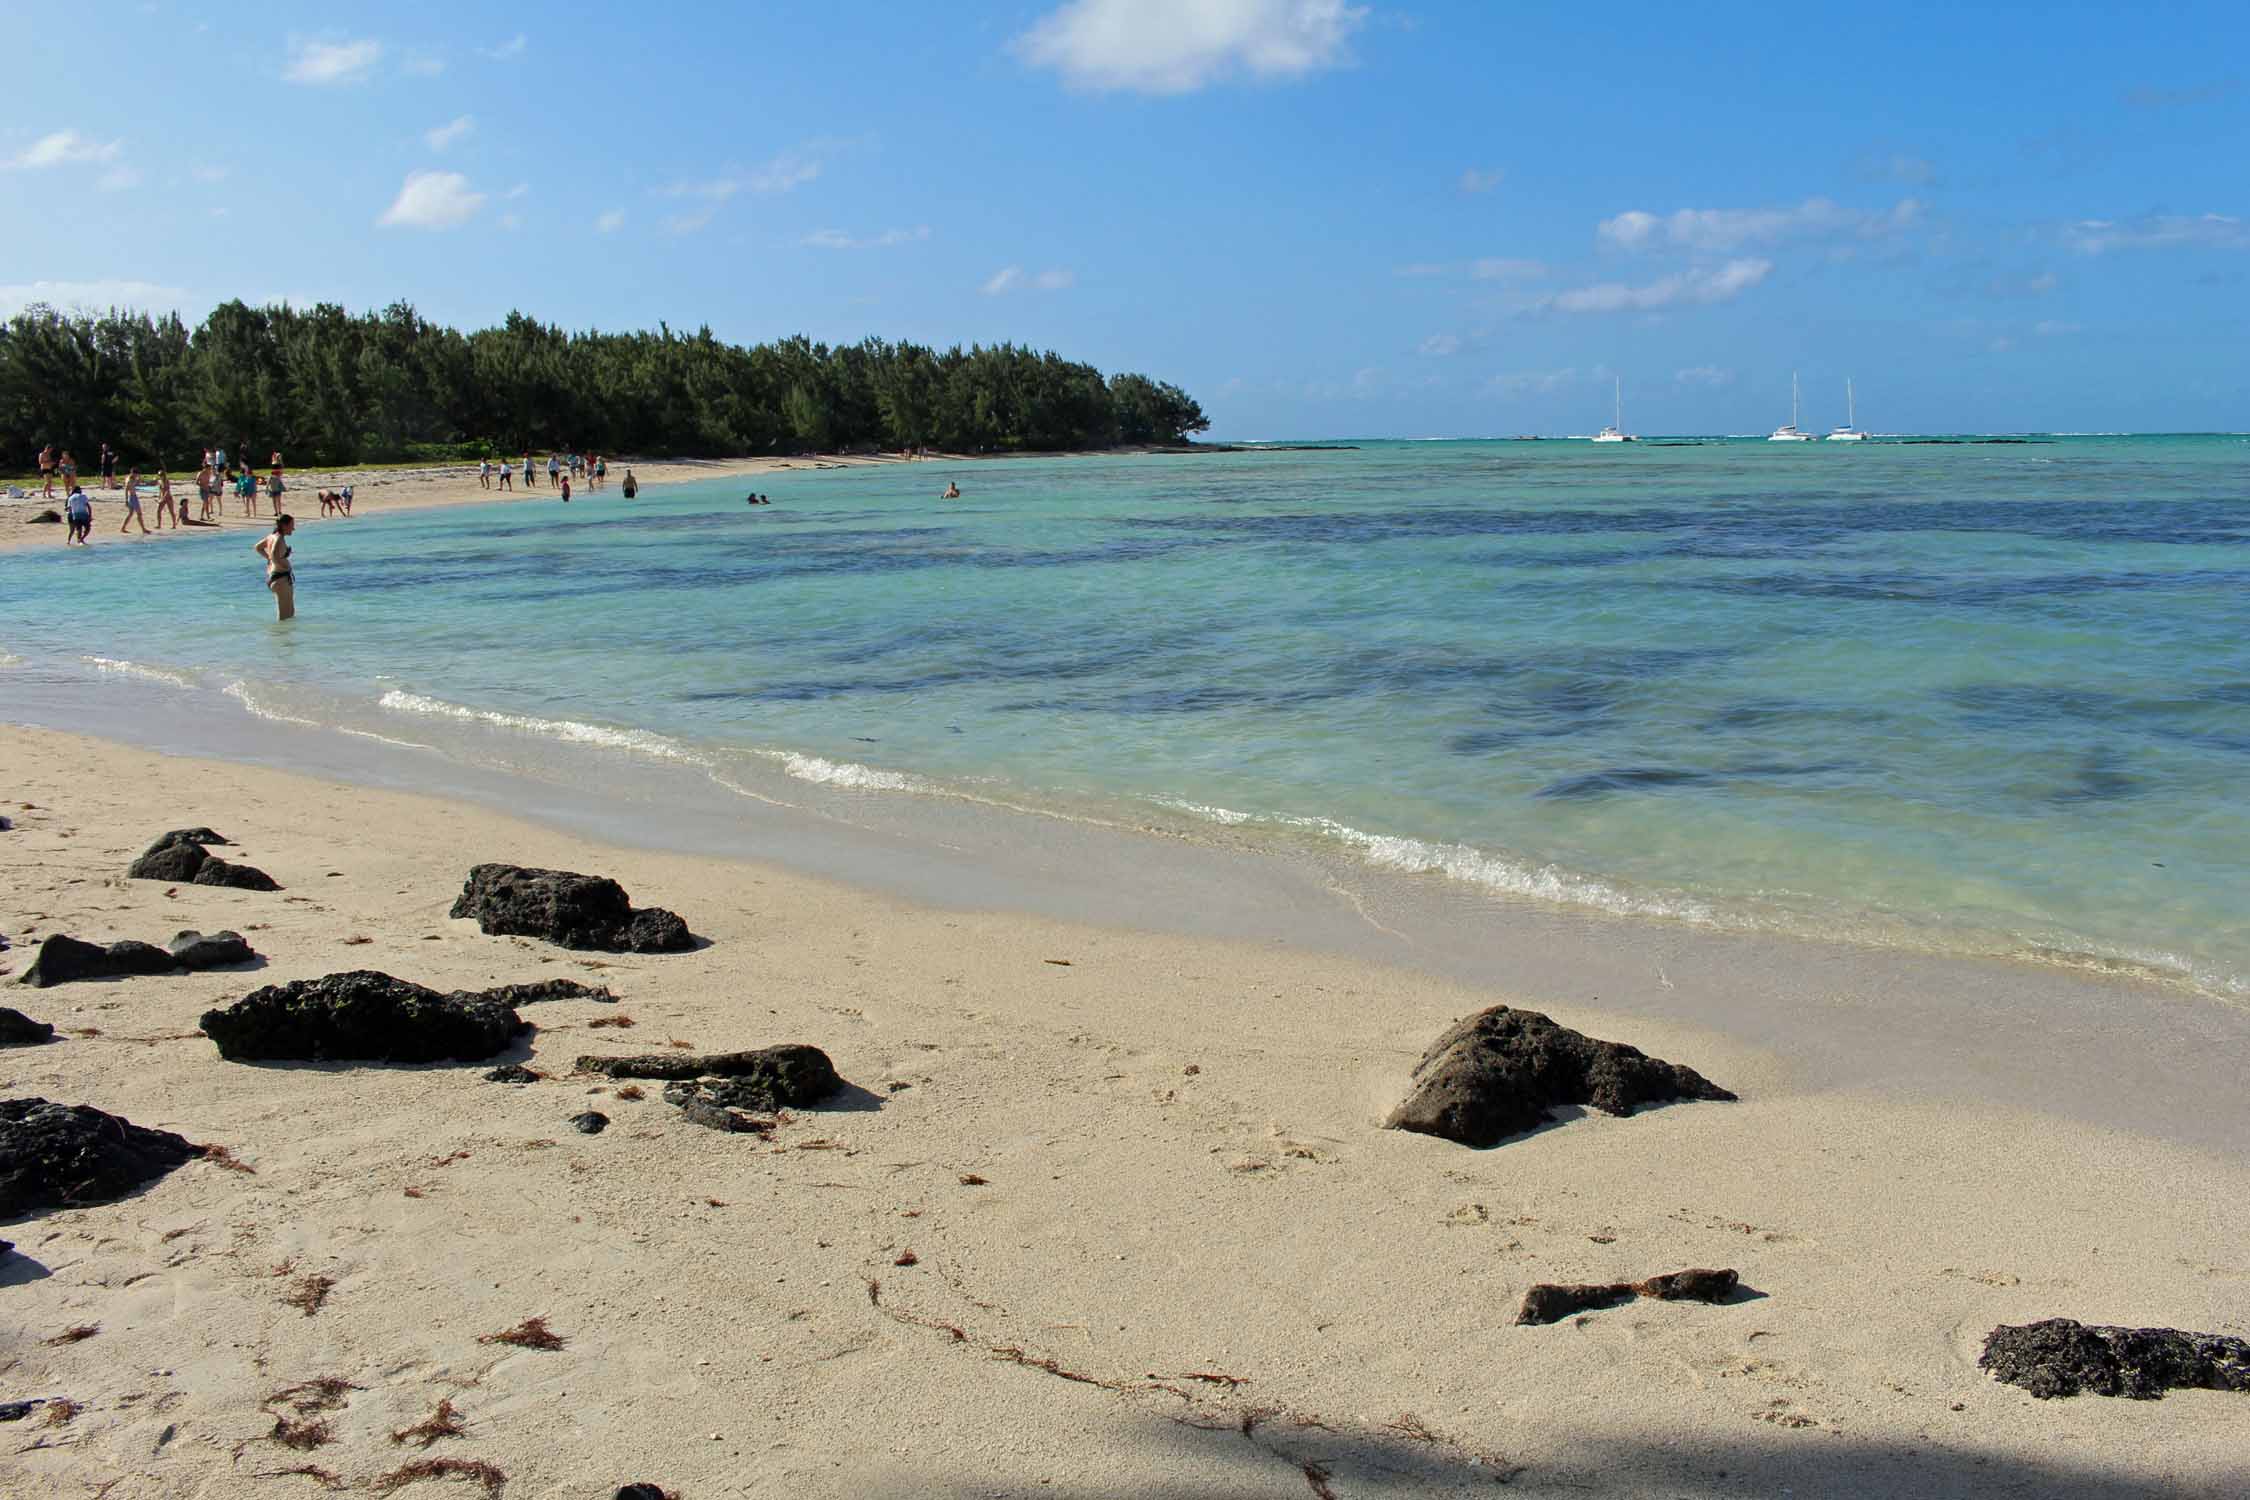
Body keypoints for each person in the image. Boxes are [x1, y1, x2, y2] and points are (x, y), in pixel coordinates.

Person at [254, 513, 297, 621]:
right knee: (284, 615)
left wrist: (269, 558)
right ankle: (280, 636)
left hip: (279, 578)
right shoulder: (278, 539)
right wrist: (283, 565)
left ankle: (286, 636)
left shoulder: (271, 536)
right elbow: (274, 555)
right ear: (284, 525)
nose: (293, 528)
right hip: (280, 578)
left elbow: (258, 547)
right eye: (291, 525)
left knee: (290, 613)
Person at [120, 469, 149, 534]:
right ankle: (143, 529)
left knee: (130, 514)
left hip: (133, 497)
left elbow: (138, 483)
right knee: (139, 514)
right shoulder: (129, 480)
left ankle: (123, 528)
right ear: (133, 473)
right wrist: (126, 500)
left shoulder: (132, 478)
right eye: (136, 474)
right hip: (132, 498)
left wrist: (139, 479)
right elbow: (126, 490)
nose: (137, 475)